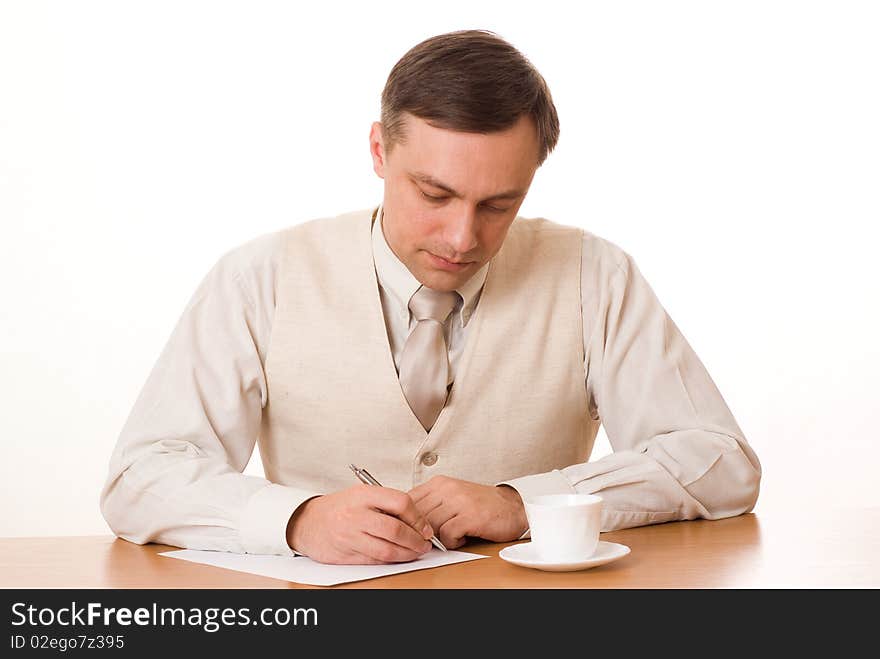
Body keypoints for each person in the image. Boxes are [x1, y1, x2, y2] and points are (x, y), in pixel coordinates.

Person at [99, 29, 761, 565]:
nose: (461, 235)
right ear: (379, 150)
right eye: (434, 194)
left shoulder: (596, 275)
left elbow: (722, 462)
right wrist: (295, 519)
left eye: (500, 204)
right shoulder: (261, 276)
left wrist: (524, 503)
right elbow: (138, 478)